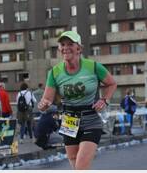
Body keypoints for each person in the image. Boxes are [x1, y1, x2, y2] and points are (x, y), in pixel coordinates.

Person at [38, 31, 117, 170]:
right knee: (75, 163)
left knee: (81, 166)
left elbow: (112, 84)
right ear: (59, 48)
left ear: (79, 48)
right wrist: (43, 105)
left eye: (70, 44)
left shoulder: (93, 67)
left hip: (90, 118)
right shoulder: (55, 72)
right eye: (62, 44)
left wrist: (104, 100)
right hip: (69, 119)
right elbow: (47, 99)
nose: (65, 47)